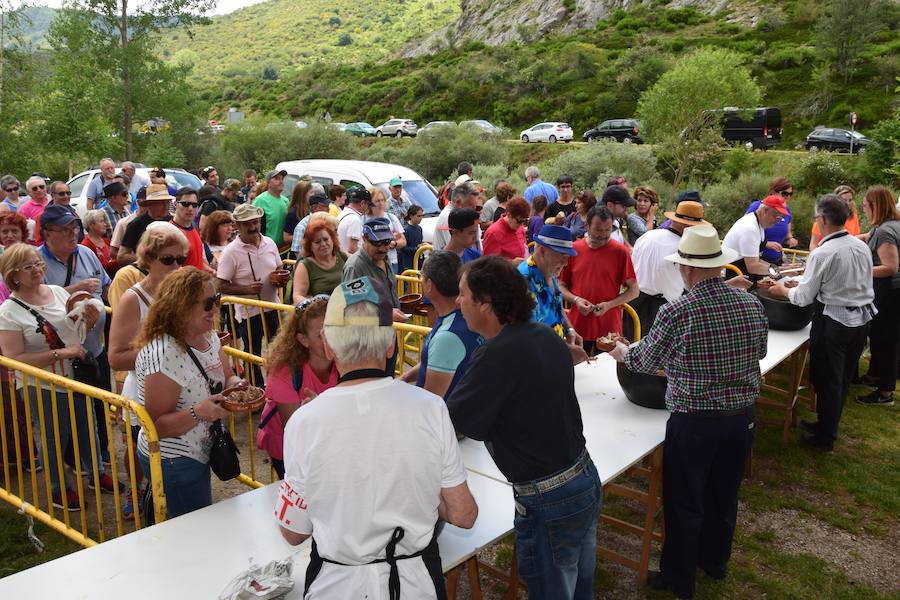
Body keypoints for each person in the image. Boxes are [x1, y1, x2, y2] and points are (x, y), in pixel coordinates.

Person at [275, 276, 477, 598]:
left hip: (336, 586)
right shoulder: (430, 409)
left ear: (328, 345)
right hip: (416, 586)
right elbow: (463, 514)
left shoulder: (304, 422)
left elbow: (292, 531)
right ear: (390, 343)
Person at [610, 225, 767, 600]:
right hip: (741, 415)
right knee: (724, 494)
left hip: (694, 419)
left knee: (684, 500)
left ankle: (680, 578)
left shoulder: (678, 311)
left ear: (689, 270)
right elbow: (759, 351)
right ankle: (715, 562)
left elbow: (645, 360)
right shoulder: (750, 303)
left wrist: (622, 352)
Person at [447, 256, 601, 599]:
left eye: (463, 295)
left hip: (549, 498)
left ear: (485, 303)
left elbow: (451, 421)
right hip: (583, 478)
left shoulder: (496, 355)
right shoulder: (544, 335)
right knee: (578, 587)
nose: (458, 302)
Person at [0, 243, 106, 510]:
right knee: (53, 437)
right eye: (29, 266)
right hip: (42, 384)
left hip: (76, 376)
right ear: (13, 275)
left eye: (38, 263)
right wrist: (62, 354)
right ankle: (59, 489)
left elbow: (73, 331)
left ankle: (96, 473)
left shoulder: (58, 293)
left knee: (88, 427)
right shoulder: (8, 313)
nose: (37, 270)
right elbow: (14, 358)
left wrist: (88, 320)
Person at [768, 195, 875, 449]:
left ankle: (825, 438)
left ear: (823, 220)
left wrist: (782, 291)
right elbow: (846, 281)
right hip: (861, 319)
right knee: (843, 378)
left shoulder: (823, 252)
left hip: (835, 321)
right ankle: (827, 425)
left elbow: (803, 298)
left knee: (828, 378)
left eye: (817, 217)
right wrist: (806, 285)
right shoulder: (860, 246)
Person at [133, 267, 238, 518]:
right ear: (181, 307)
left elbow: (226, 375)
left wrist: (236, 385)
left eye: (217, 299)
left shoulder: (208, 335)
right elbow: (154, 425)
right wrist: (198, 412)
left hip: (199, 448)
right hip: (175, 459)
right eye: (208, 303)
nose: (215, 309)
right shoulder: (165, 354)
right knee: (193, 529)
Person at [108, 222, 188, 515]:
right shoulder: (133, 299)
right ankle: (136, 490)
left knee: (174, 450)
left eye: (181, 259)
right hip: (142, 390)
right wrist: (162, 354)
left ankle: (168, 498)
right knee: (139, 446)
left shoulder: (181, 294)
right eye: (168, 260)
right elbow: (116, 357)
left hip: (179, 388)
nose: (176, 265)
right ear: (149, 259)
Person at [257, 295, 338, 479]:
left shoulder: (345, 361)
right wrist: (322, 412)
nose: (331, 338)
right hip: (287, 448)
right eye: (322, 334)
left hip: (325, 444)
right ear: (303, 340)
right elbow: (293, 431)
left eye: (335, 329)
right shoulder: (284, 371)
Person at [217, 203, 284, 386]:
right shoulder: (230, 252)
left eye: (255, 222)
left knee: (280, 350)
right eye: (247, 224)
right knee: (252, 354)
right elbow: (220, 284)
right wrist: (246, 290)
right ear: (237, 226)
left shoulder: (269, 243)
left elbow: (279, 267)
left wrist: (280, 278)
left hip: (274, 308)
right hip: (249, 313)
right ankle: (257, 391)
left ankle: (280, 387)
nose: (253, 227)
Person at [401, 251, 483, 399]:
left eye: (422, 277)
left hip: (447, 419)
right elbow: (436, 359)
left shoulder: (447, 338)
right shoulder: (466, 316)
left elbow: (431, 401)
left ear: (430, 286)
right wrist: (406, 377)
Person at [559, 205, 638, 354]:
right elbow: (560, 285)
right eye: (598, 230)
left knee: (608, 374)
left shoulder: (620, 252)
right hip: (577, 326)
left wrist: (609, 305)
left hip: (609, 330)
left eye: (608, 230)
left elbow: (634, 290)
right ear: (587, 226)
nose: (603, 235)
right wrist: (576, 300)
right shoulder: (574, 250)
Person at [629, 200, 708, 337]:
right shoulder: (683, 248)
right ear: (687, 226)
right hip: (664, 309)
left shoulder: (647, 236)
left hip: (633, 304)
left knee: (631, 349)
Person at [857, 187, 900, 406]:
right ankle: (873, 377)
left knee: (886, 340)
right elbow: (864, 237)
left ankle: (885, 392)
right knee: (878, 335)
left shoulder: (885, 231)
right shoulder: (881, 227)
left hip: (891, 294)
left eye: (865, 205)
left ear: (876, 206)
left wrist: (859, 269)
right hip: (885, 292)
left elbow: (890, 267)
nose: (863, 210)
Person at [517, 223, 584, 345]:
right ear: (542, 251)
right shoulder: (523, 283)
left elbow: (556, 305)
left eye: (567, 257)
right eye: (562, 255)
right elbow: (527, 337)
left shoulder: (549, 270)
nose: (566, 263)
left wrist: (569, 329)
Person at [721, 195, 787, 276]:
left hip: (741, 269)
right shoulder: (750, 228)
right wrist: (780, 271)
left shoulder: (758, 223)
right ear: (765, 211)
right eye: (776, 217)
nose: (778, 221)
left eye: (780, 218)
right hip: (734, 272)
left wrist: (780, 269)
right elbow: (753, 266)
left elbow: (756, 260)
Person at [744, 176, 798, 264]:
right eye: (785, 193)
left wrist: (790, 239)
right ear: (773, 192)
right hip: (757, 258)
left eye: (790, 194)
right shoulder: (758, 207)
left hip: (776, 258)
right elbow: (746, 232)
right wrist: (766, 244)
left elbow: (788, 233)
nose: (788, 197)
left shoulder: (786, 210)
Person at [292, 219, 347, 303]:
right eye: (317, 242)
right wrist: (313, 304)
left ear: (332, 239)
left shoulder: (343, 256)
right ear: (310, 246)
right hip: (320, 313)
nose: (323, 244)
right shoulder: (305, 266)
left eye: (326, 239)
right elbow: (297, 296)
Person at [118, 184, 174, 265]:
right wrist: (147, 258)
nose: (166, 206)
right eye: (161, 203)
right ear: (150, 204)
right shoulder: (136, 225)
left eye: (167, 202)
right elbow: (121, 256)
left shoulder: (172, 221)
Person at [365, 187, 406, 274]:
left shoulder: (391, 217)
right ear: (370, 203)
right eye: (377, 201)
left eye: (382, 200)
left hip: (391, 261)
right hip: (370, 262)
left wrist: (394, 243)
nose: (380, 203)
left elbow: (403, 241)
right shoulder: (364, 219)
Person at [433, 182, 483, 251]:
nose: (474, 210)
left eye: (475, 207)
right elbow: (455, 250)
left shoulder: (462, 216)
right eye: (470, 206)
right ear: (458, 203)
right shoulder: (448, 218)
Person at [810, 185, 860, 250]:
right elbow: (813, 243)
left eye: (850, 200)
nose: (848, 203)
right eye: (844, 200)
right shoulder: (824, 217)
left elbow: (855, 237)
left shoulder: (853, 217)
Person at [170, 187, 209, 272]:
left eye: (194, 205)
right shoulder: (170, 232)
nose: (190, 208)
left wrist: (208, 270)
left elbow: (196, 260)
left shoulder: (193, 227)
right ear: (175, 204)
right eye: (186, 204)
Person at [482, 196, 529, 262]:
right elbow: (487, 263)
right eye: (519, 221)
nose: (521, 225)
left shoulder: (519, 228)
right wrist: (511, 263)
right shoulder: (493, 233)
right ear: (509, 215)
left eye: (525, 221)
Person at [253, 169, 290, 246]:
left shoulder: (285, 201)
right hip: (266, 247)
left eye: (282, 179)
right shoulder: (260, 200)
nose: (281, 181)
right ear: (268, 183)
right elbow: (252, 225)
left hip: (283, 248)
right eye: (276, 179)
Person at [81, 210, 118, 276]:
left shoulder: (106, 241)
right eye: (101, 221)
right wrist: (120, 260)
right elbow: (98, 269)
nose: (105, 224)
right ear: (91, 225)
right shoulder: (85, 246)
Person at [337, 187, 368, 255]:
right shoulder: (354, 220)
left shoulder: (342, 213)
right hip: (350, 261)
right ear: (362, 203)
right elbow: (352, 249)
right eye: (368, 204)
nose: (368, 208)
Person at [19, 176, 50, 244]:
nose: (39, 190)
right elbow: (21, 230)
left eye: (41, 187)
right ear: (29, 192)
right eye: (34, 188)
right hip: (36, 246)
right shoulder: (24, 209)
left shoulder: (53, 202)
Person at [284, 179, 312, 247]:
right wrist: (305, 235)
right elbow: (286, 238)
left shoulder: (309, 210)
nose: (313, 195)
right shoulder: (293, 214)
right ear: (303, 194)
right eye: (311, 193)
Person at [399, 204, 424, 272]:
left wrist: (423, 245)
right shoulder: (406, 230)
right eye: (418, 216)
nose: (420, 218)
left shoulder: (419, 229)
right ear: (411, 216)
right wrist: (417, 248)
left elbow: (419, 242)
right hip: (408, 263)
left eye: (422, 216)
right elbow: (403, 248)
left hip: (418, 261)